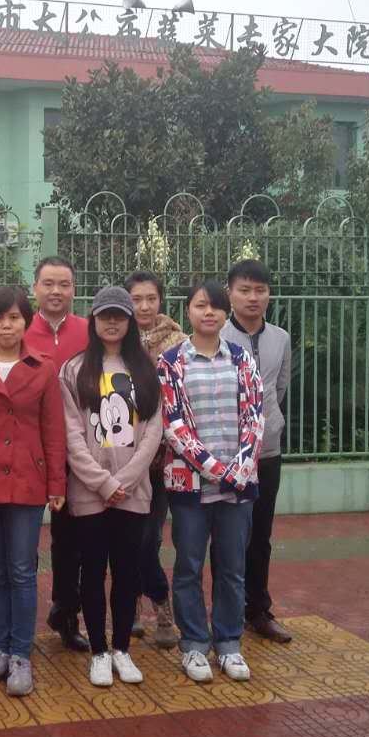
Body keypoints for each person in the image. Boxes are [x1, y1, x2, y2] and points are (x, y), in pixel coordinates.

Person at [0, 285, 67, 697]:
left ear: (26, 321)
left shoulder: (43, 367)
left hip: (26, 479)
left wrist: (56, 483)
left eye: (15, 317)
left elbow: (53, 430)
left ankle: (21, 654)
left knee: (21, 570)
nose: (7, 325)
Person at [158, 281, 264, 684]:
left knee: (233, 568)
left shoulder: (241, 358)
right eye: (201, 305)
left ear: (225, 313)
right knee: (188, 565)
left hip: (239, 486)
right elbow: (174, 425)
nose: (209, 312)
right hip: (191, 487)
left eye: (216, 306)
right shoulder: (171, 362)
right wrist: (218, 470)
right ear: (188, 310)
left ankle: (229, 643)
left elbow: (255, 416)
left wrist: (241, 467)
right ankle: (194, 645)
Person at [61, 287, 164, 687]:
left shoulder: (145, 369)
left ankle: (122, 648)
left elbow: (153, 430)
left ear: (130, 322)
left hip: (133, 492)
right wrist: (103, 483)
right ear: (93, 320)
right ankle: (99, 652)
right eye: (105, 315)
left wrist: (125, 480)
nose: (112, 322)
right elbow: (71, 433)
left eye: (119, 316)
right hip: (89, 493)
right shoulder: (74, 369)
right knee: (92, 572)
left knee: (127, 572)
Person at [222, 259, 293, 644]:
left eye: (260, 290)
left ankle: (258, 609)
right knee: (227, 535)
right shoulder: (216, 335)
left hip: (267, 450)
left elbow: (278, 388)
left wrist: (267, 424)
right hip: (225, 454)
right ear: (230, 293)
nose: (253, 297)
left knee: (261, 533)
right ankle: (225, 611)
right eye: (245, 290)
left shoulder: (280, 338)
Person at [24, 256, 90, 652]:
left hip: (77, 451)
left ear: (74, 289)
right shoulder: (18, 330)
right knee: (24, 541)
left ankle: (66, 612)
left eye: (64, 284)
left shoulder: (88, 331)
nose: (55, 291)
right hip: (29, 451)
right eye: (48, 283)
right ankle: (18, 623)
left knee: (72, 540)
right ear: (35, 288)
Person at [125, 271, 185, 649]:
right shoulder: (115, 340)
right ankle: (130, 603)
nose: (144, 306)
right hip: (121, 456)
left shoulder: (178, 343)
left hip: (162, 459)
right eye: (136, 299)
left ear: (161, 300)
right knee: (125, 536)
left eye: (151, 298)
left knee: (148, 538)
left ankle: (161, 603)